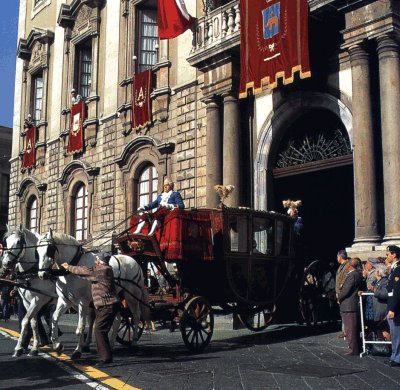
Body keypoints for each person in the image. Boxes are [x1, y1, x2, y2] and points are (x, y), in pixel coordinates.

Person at [61, 252, 119, 366]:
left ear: (101, 261)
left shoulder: (102, 270)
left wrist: (68, 267)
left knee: (99, 330)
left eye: (97, 259)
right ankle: (106, 355)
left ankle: (105, 358)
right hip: (105, 305)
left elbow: (84, 271)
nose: (95, 260)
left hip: (107, 305)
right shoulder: (104, 270)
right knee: (101, 330)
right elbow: (85, 275)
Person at [338, 257, 363, 356]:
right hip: (350, 305)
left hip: (349, 305)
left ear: (350, 265)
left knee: (350, 329)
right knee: (351, 328)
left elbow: (346, 290)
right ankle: (355, 348)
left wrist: (339, 297)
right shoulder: (356, 274)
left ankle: (353, 349)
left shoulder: (352, 275)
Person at [385, 245, 400, 367]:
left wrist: (392, 309)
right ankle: (394, 356)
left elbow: (397, 292)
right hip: (391, 305)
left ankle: (397, 357)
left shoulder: (398, 269)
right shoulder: (393, 269)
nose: (387, 256)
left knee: (397, 334)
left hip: (396, 308)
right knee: (394, 334)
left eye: (388, 254)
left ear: (394, 255)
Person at [370, 263, 389, 340]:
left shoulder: (385, 281)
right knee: (379, 331)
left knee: (385, 331)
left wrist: (374, 290)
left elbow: (385, 294)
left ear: (378, 272)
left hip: (382, 311)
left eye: (375, 271)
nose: (374, 272)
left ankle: (390, 348)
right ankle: (383, 348)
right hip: (376, 311)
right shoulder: (376, 281)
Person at [335, 249, 349, 339]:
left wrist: (340, 292)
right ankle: (344, 331)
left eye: (337, 257)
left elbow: (345, 279)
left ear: (340, 257)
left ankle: (346, 331)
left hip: (343, 293)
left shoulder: (347, 266)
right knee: (343, 313)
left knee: (346, 314)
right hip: (340, 293)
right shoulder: (341, 266)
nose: (337, 258)